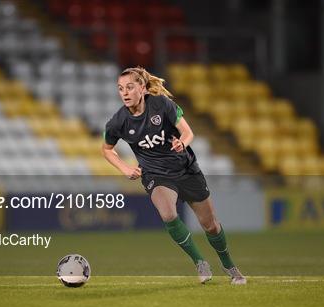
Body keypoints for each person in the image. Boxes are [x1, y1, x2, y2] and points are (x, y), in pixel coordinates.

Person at [102, 67, 246, 285]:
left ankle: (229, 265)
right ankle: (200, 262)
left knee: (211, 225)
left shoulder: (161, 104)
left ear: (142, 88)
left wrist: (182, 143)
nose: (125, 93)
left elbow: (188, 132)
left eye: (130, 87)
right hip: (156, 175)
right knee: (168, 214)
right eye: (121, 89)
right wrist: (124, 168)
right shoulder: (118, 122)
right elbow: (106, 149)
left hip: (186, 170)